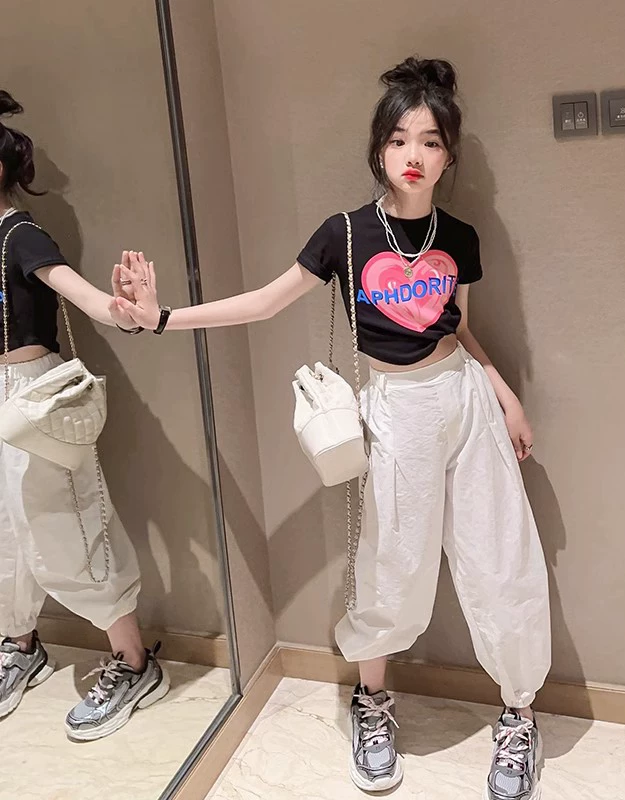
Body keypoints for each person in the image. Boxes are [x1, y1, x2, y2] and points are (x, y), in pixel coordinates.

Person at [117, 58, 551, 800]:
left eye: (431, 142)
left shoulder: (460, 235)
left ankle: (518, 714)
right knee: (391, 563)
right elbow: (263, 302)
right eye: (400, 139)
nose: (414, 155)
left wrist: (503, 392)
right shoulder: (345, 234)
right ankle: (372, 702)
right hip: (395, 410)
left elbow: (459, 327)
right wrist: (162, 318)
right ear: (379, 149)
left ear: (449, 156)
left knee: (499, 557)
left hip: (466, 401)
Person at [0, 90, 168, 740]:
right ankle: (20, 644)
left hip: (34, 397)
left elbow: (86, 298)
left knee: (68, 526)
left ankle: (133, 661)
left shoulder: (21, 235)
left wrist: (125, 308)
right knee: (7, 533)